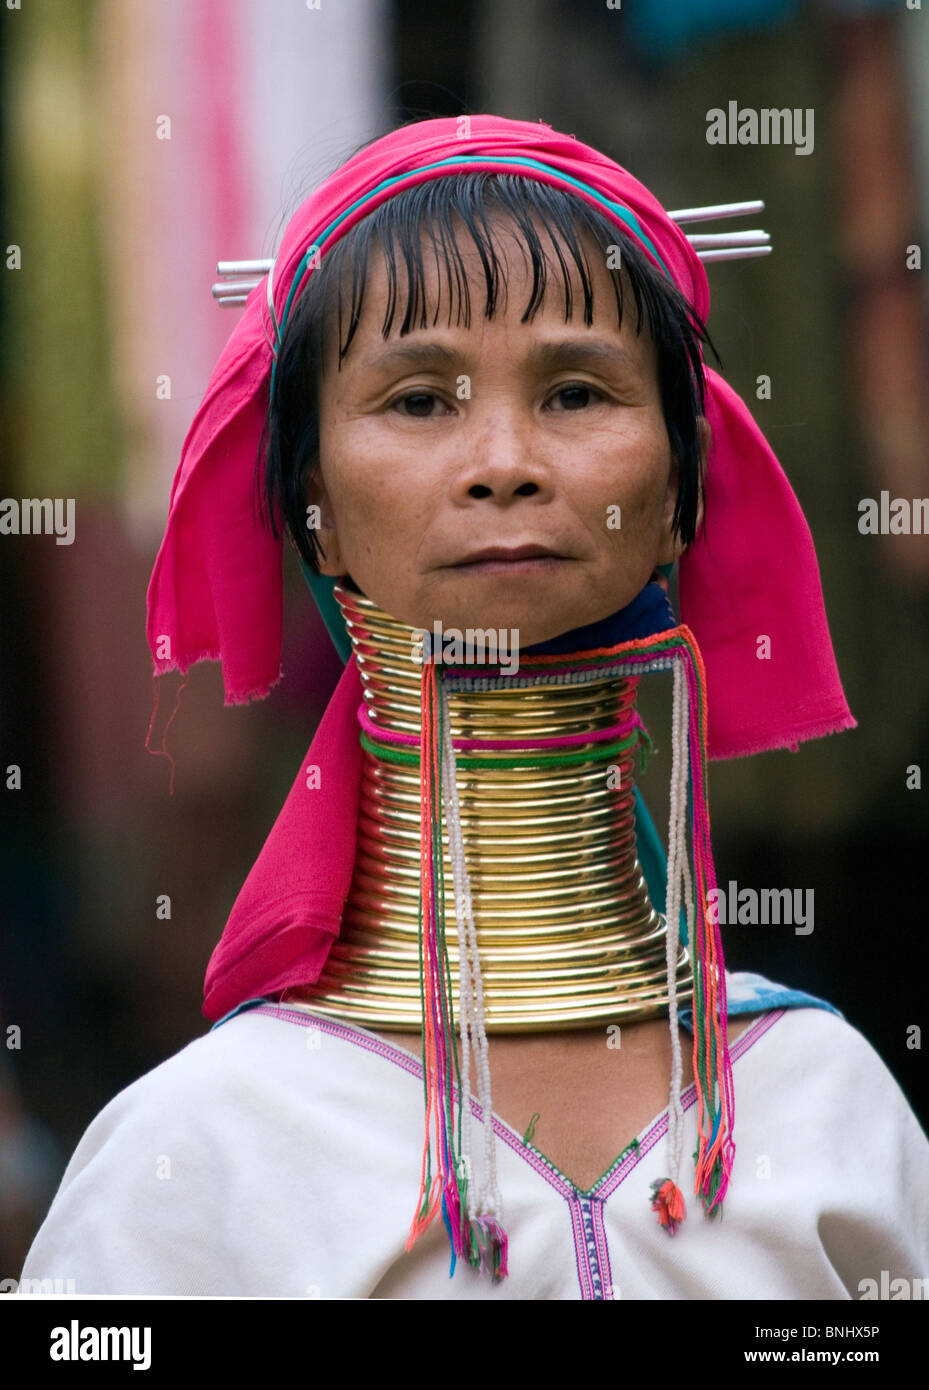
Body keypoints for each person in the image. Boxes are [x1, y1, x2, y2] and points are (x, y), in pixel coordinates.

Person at [20, 114, 929, 1299]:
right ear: (315, 509)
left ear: (677, 494)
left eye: (573, 391)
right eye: (416, 401)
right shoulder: (201, 1149)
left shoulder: (824, 1099)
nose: (503, 458)